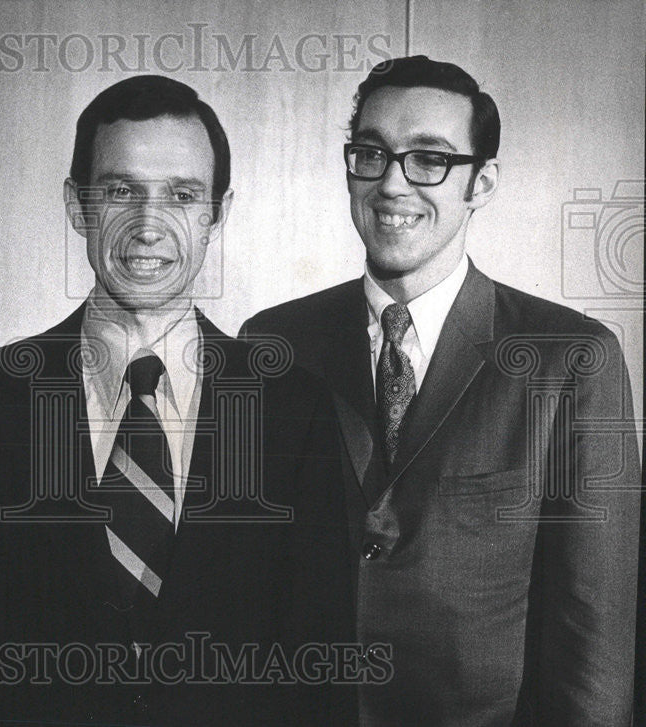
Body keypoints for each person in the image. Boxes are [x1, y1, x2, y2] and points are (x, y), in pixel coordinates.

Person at [0, 75, 355, 725]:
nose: (149, 226)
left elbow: (319, 667)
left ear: (218, 211)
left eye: (182, 195)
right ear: (78, 205)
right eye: (121, 190)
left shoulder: (293, 410)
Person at [241, 56, 641, 725]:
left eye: (429, 158)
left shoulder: (570, 358)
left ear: (481, 182)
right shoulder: (272, 345)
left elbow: (593, 627)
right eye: (371, 153)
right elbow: (248, 591)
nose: (393, 183)